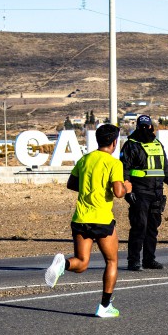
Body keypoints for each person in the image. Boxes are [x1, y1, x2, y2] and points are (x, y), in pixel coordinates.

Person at [44, 123, 132, 318]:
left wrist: (90, 188)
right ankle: (104, 306)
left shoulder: (85, 159)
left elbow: (71, 183)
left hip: (81, 218)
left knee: (82, 263)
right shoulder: (114, 163)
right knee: (111, 261)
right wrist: (127, 187)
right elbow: (118, 193)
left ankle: (62, 265)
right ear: (115, 142)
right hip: (101, 219)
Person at [120, 115, 168, 271]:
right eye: (142, 126)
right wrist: (127, 191)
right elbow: (124, 170)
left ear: (151, 127)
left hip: (157, 192)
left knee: (152, 228)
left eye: (148, 126)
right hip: (139, 192)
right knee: (139, 226)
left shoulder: (158, 144)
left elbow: (164, 167)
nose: (146, 129)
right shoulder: (131, 145)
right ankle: (133, 261)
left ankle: (149, 259)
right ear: (138, 127)